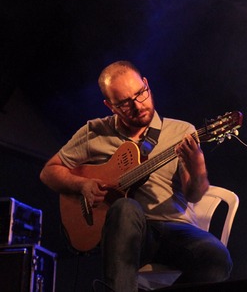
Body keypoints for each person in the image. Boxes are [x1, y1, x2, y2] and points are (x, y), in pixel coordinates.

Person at [40, 60, 232, 291]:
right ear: (110, 106)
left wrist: (197, 165)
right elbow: (49, 172)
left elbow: (194, 194)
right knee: (125, 207)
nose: (138, 105)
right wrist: (82, 185)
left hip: (173, 229)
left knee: (218, 259)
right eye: (124, 103)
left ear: (146, 84)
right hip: (123, 235)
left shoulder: (182, 132)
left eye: (140, 94)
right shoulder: (95, 132)